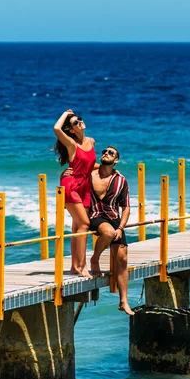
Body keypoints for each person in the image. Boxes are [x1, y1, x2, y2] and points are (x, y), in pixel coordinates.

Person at [89, 146, 134, 316]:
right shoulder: (91, 173)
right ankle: (95, 259)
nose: (106, 154)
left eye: (111, 153)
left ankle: (123, 301)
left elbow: (126, 207)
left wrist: (121, 227)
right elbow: (79, 165)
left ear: (116, 160)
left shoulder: (121, 180)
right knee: (108, 232)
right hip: (94, 215)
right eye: (104, 152)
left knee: (122, 258)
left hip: (114, 219)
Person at [53, 109, 96, 278]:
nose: (80, 123)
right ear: (71, 130)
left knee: (77, 226)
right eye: (75, 123)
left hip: (85, 186)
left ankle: (73, 267)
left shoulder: (91, 141)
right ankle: (82, 266)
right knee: (85, 224)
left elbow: (90, 165)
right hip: (71, 186)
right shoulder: (72, 144)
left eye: (80, 120)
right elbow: (57, 129)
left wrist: (111, 170)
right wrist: (65, 114)